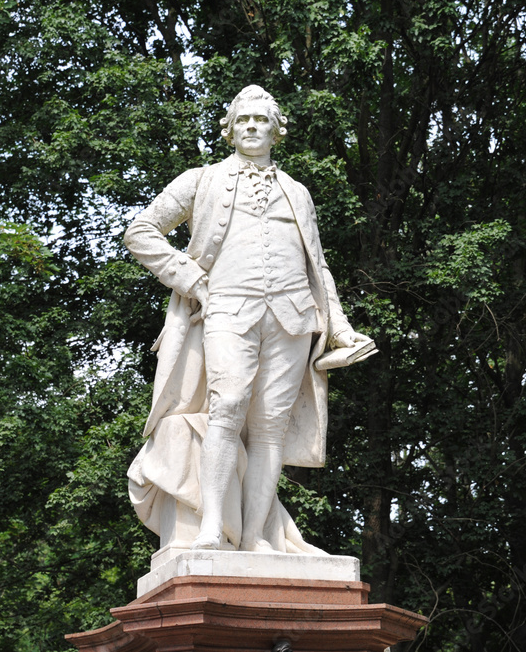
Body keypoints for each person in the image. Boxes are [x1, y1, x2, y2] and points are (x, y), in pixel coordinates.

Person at [124, 85, 369, 554]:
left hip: (293, 317)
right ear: (230, 130)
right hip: (227, 309)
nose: (252, 126)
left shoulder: (297, 192)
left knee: (270, 427)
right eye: (243, 120)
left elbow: (317, 267)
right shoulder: (201, 180)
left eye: (261, 120)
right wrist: (193, 281)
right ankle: (214, 527)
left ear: (277, 131)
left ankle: (255, 536)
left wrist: (338, 326)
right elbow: (141, 231)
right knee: (227, 406)